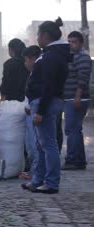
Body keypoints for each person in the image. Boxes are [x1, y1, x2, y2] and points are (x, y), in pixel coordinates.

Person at [22, 18, 71, 194]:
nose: (37, 38)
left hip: (46, 103)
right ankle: (38, 180)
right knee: (41, 144)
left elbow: (49, 85)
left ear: (45, 35)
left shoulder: (52, 55)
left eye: (38, 34)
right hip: (44, 101)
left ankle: (51, 182)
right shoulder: (51, 53)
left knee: (48, 144)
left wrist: (41, 110)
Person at [62, 31, 92, 170]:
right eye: (69, 41)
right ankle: (79, 161)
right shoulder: (72, 56)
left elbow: (83, 79)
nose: (71, 44)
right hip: (71, 98)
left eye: (73, 42)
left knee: (72, 129)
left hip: (76, 98)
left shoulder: (83, 57)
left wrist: (77, 96)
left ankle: (72, 160)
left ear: (81, 43)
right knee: (75, 130)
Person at [22, 45, 42, 180]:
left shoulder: (39, 74)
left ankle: (36, 173)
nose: (25, 63)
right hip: (32, 110)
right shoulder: (34, 73)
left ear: (32, 59)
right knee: (33, 143)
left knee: (35, 144)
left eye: (26, 60)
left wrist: (35, 109)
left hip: (36, 112)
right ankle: (36, 172)